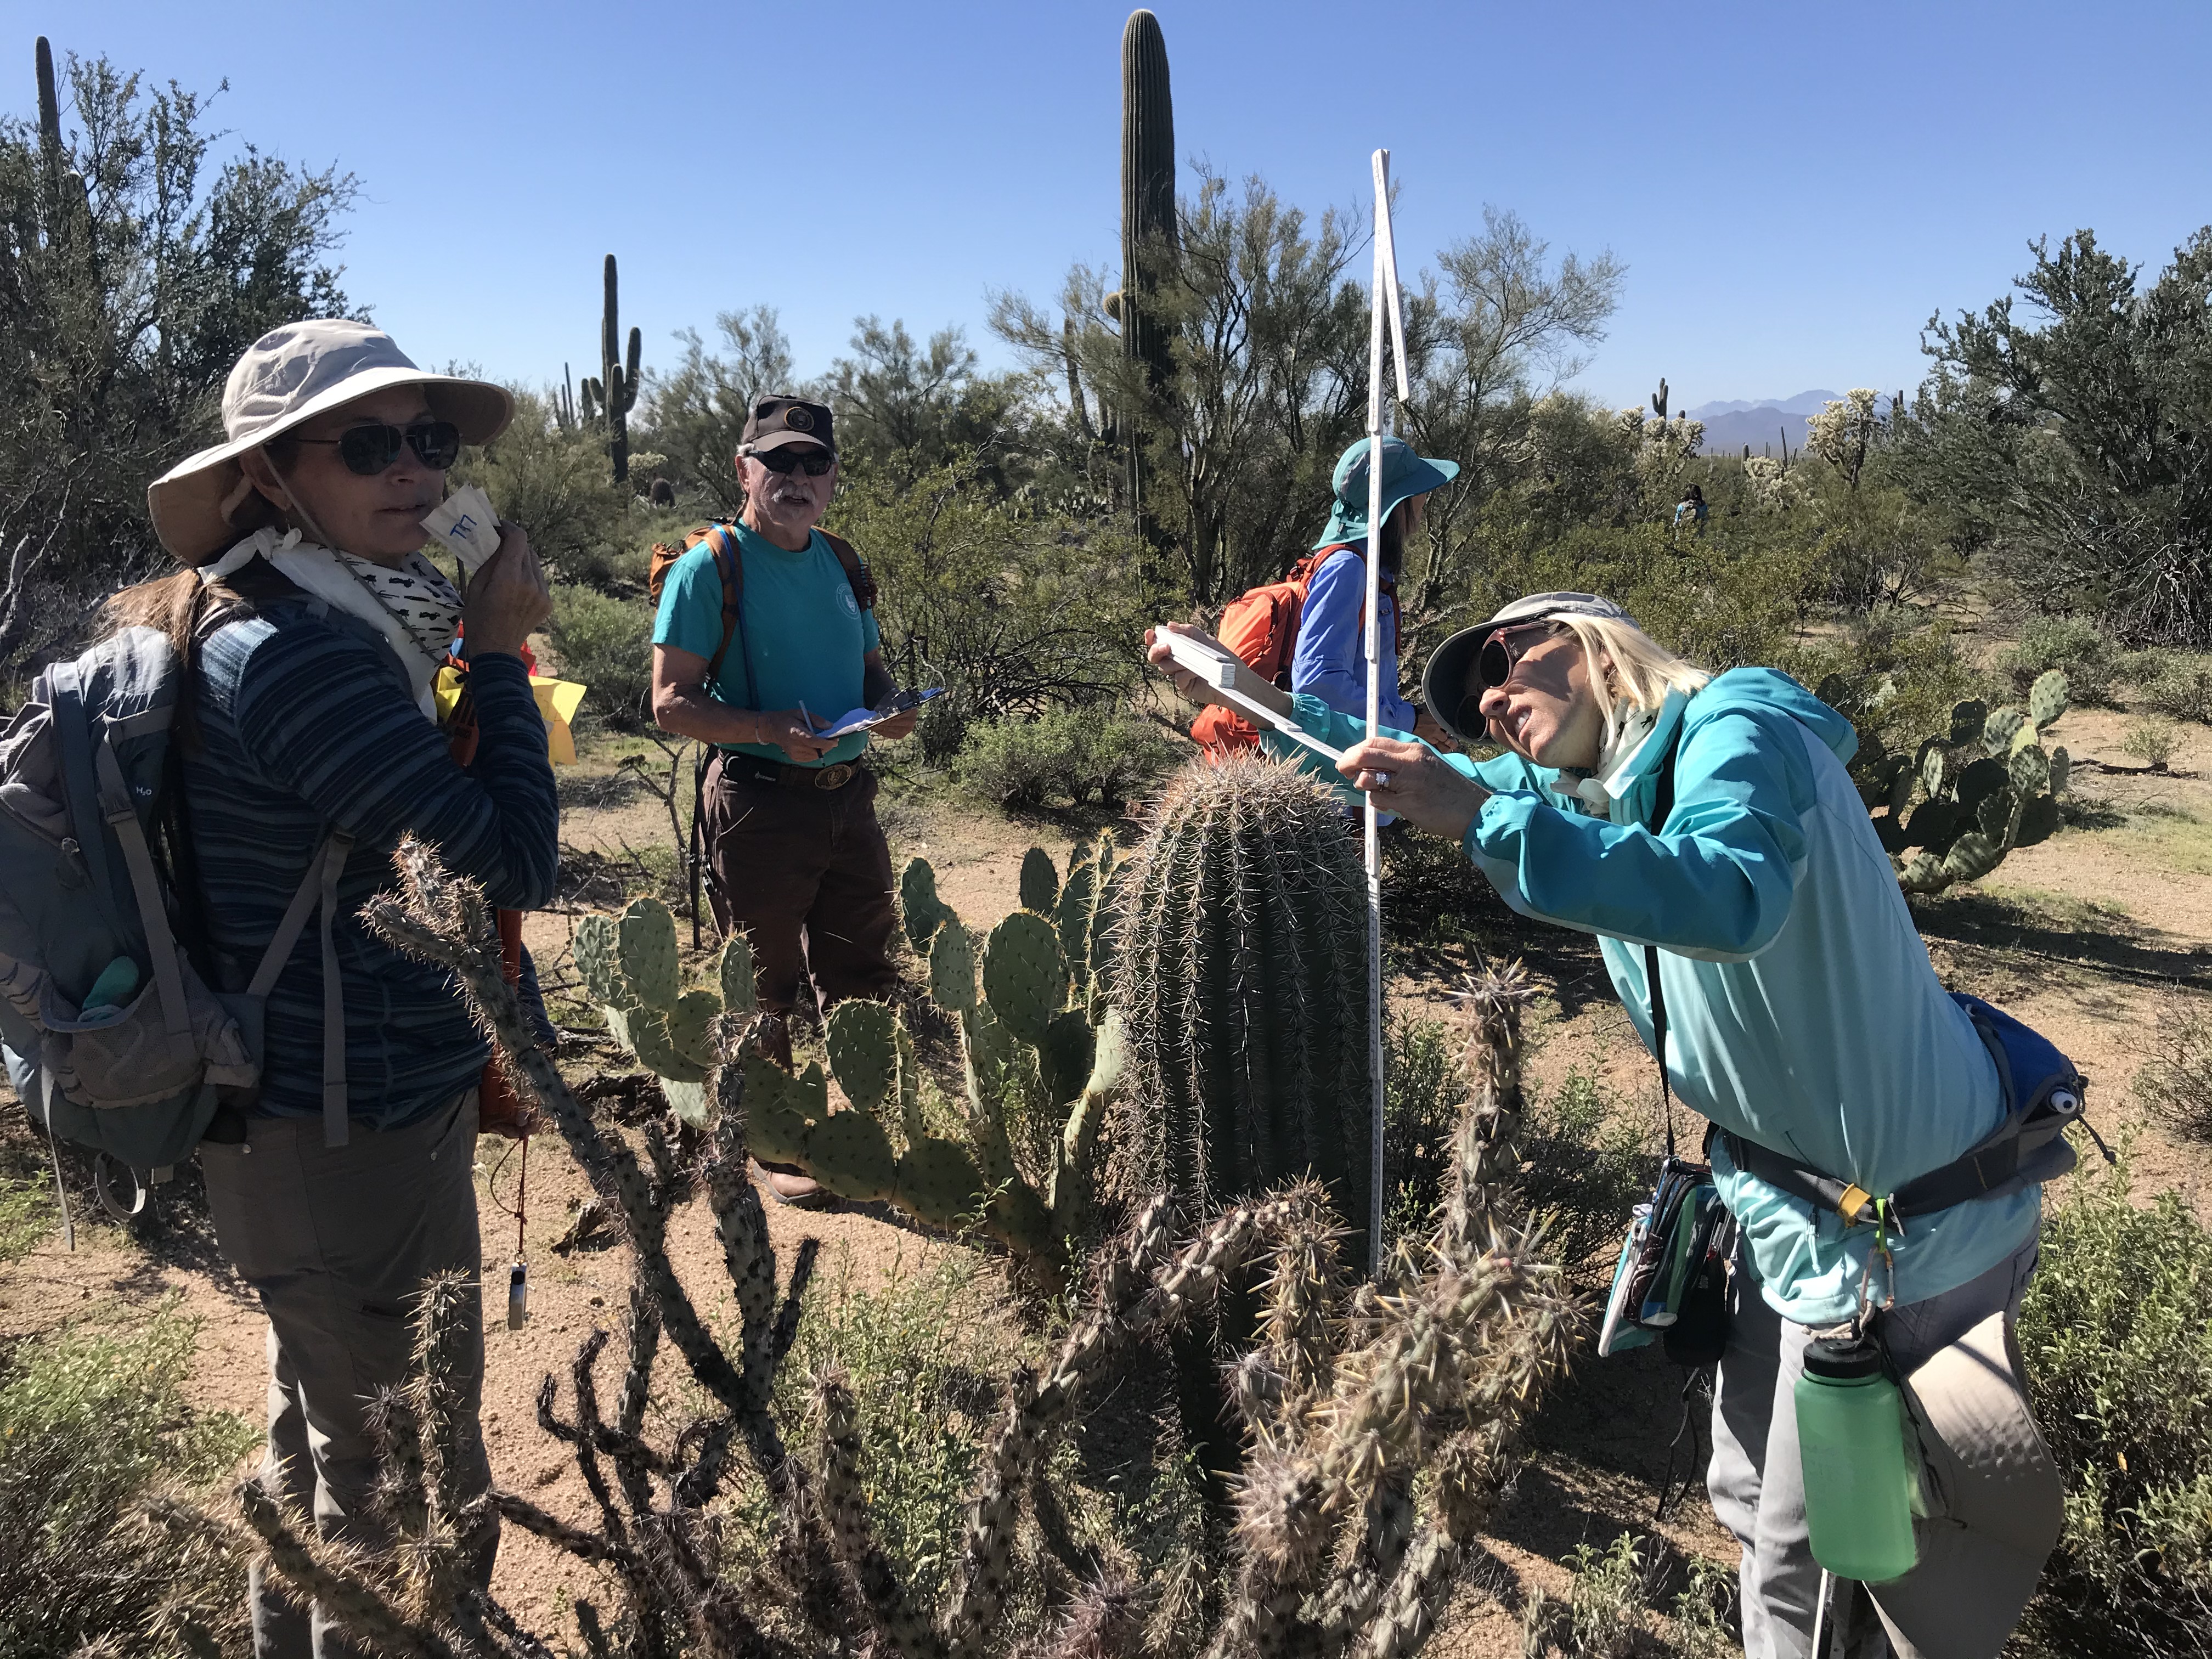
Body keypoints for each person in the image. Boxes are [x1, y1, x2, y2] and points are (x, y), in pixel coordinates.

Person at [1148, 595, 2056, 1658]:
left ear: (1591, 642)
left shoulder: (1736, 729)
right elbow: (1383, 766)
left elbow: (1729, 896)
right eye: (1475, 709)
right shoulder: (1590, 788)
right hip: (1779, 1209)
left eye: (1499, 660)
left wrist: (1484, 817)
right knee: (1749, 1491)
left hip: (1896, 1236)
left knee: (1826, 1565)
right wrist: (1242, 689)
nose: (1488, 702)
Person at [132, 319, 558, 1657]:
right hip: (342, 1125)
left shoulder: (320, 616)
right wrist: (499, 647)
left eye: (429, 439)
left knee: (327, 1451)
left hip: (329, 1113)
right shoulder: (299, 654)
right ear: (270, 477)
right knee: (411, 1488)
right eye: (367, 445)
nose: (417, 473)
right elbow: (513, 857)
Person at [650, 396, 915, 1201]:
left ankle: (862, 1120)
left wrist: (892, 704)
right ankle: (779, 1142)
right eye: (779, 463)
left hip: (848, 795)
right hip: (760, 801)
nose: (797, 479)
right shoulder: (711, 567)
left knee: (861, 964)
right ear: (744, 471)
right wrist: (765, 726)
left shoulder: (841, 558)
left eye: (814, 464)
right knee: (763, 983)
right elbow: (668, 702)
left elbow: (870, 669)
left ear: (833, 478)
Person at [1289, 436, 1458, 742]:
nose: (1425, 499)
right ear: (1396, 504)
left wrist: (1412, 720)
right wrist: (1408, 723)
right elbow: (1317, 684)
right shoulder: (1348, 568)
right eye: (1417, 491)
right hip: (1342, 768)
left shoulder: (1369, 568)